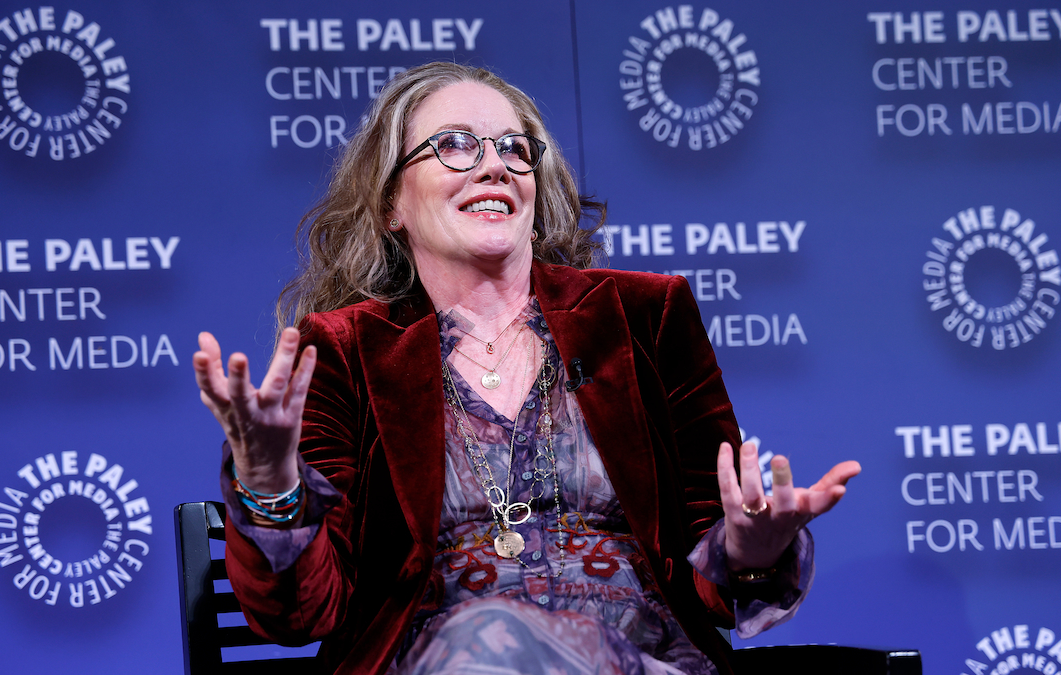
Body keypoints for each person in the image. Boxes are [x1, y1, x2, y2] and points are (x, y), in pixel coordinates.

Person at [193, 62, 860, 675]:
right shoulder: (343, 350)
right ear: (392, 202)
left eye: (515, 149)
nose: (495, 167)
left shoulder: (645, 316)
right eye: (455, 144)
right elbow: (298, 614)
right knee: (486, 632)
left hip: (645, 661)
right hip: (438, 662)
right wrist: (270, 482)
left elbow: (712, 581)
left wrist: (749, 549)